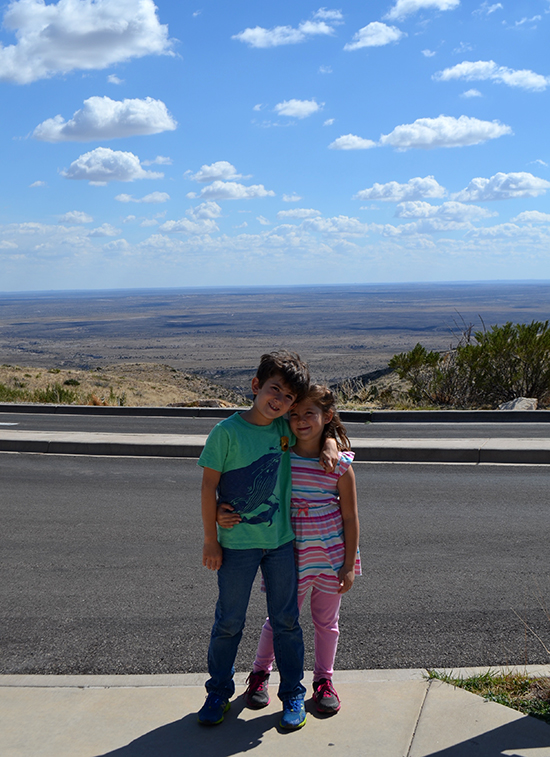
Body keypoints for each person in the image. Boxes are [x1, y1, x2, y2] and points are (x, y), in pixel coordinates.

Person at [198, 352, 338, 731]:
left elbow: (319, 428)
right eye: (275, 390)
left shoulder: (285, 428)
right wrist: (211, 535)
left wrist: (329, 443)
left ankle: (292, 693)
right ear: (256, 386)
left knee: (286, 621)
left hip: (280, 543)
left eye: (290, 397)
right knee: (229, 621)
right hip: (236, 544)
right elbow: (208, 485)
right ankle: (218, 692)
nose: (281, 401)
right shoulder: (226, 432)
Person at [219, 384, 360, 716]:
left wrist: (349, 565)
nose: (299, 421)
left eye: (309, 414)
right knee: (280, 621)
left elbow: (351, 517)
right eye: (293, 414)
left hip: (330, 559)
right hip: (287, 559)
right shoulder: (282, 453)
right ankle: (260, 674)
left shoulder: (339, 465)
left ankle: (324, 681)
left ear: (326, 417)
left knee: (327, 623)